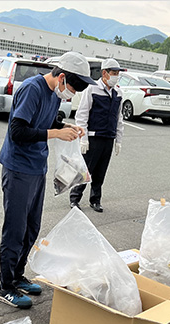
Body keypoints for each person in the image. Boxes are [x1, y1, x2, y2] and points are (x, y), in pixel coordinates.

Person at [0, 51, 96, 309]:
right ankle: (5, 286)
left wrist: (65, 127)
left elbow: (47, 120)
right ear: (61, 77)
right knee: (15, 229)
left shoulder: (53, 93)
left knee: (31, 228)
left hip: (37, 167)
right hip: (18, 167)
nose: (71, 95)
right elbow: (18, 130)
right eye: (72, 88)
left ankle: (18, 276)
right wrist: (55, 133)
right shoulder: (33, 88)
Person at [69, 58, 125, 212]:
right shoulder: (92, 89)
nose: (116, 76)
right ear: (104, 73)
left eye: (117, 73)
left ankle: (95, 200)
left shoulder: (118, 93)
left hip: (108, 137)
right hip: (93, 137)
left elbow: (119, 118)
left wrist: (118, 139)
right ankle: (75, 198)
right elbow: (82, 115)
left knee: (100, 172)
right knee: (85, 169)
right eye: (113, 73)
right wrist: (83, 138)